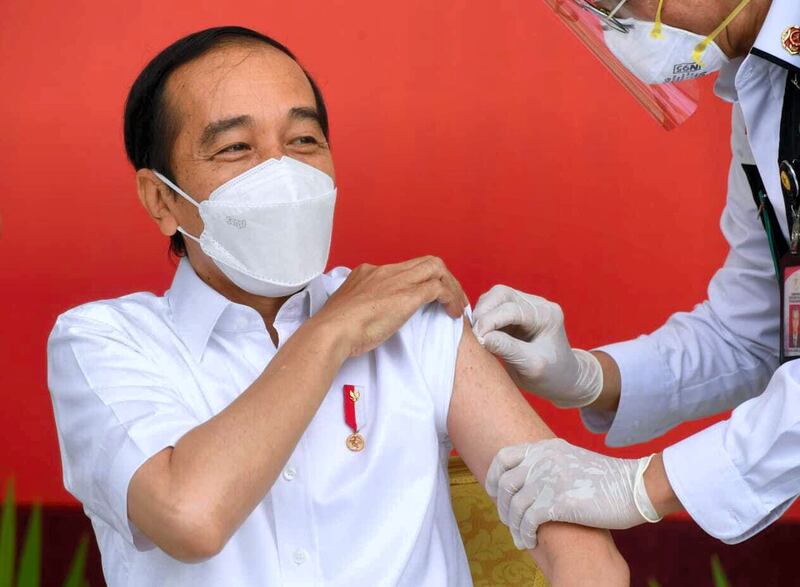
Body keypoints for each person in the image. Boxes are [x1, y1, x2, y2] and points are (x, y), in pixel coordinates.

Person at [47, 26, 628, 586]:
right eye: (235, 148)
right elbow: (189, 517)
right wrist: (329, 334)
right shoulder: (105, 341)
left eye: (303, 140)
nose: (283, 171)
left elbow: (584, 554)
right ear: (160, 199)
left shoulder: (414, 321)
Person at [474, 0, 800, 551]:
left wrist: (641, 487)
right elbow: (751, 334)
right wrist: (587, 376)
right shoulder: (762, 88)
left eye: (620, 5)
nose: (616, 27)